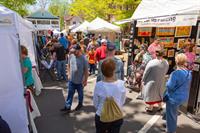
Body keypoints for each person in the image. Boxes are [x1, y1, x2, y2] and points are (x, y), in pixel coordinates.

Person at [93, 58, 126, 133]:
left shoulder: (99, 85)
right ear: (114, 70)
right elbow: (122, 101)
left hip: (101, 115)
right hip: (116, 115)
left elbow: (95, 103)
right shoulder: (121, 84)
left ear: (102, 71)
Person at [164, 53, 192, 133]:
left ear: (176, 61)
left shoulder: (175, 73)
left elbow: (169, 86)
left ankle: (171, 130)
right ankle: (169, 125)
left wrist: (167, 81)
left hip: (174, 98)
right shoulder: (188, 73)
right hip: (183, 97)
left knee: (172, 115)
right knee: (174, 113)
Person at [61, 44, 88, 111]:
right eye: (72, 51)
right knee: (70, 93)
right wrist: (69, 74)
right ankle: (68, 106)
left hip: (80, 81)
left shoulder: (84, 59)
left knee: (80, 94)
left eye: (75, 51)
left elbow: (86, 71)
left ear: (79, 50)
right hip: (72, 80)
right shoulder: (71, 56)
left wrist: (85, 80)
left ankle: (80, 104)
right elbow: (68, 65)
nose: (73, 53)